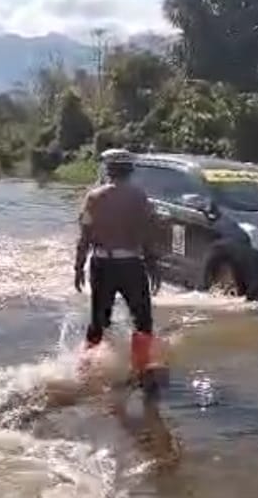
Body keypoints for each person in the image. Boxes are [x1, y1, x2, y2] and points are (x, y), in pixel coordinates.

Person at [74, 148, 162, 386]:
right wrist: (153, 266)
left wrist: (78, 267)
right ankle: (142, 372)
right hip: (131, 264)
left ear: (108, 170)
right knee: (143, 321)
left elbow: (85, 237)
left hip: (102, 264)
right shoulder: (140, 197)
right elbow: (148, 235)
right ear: (130, 170)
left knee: (98, 322)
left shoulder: (94, 198)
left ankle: (84, 372)